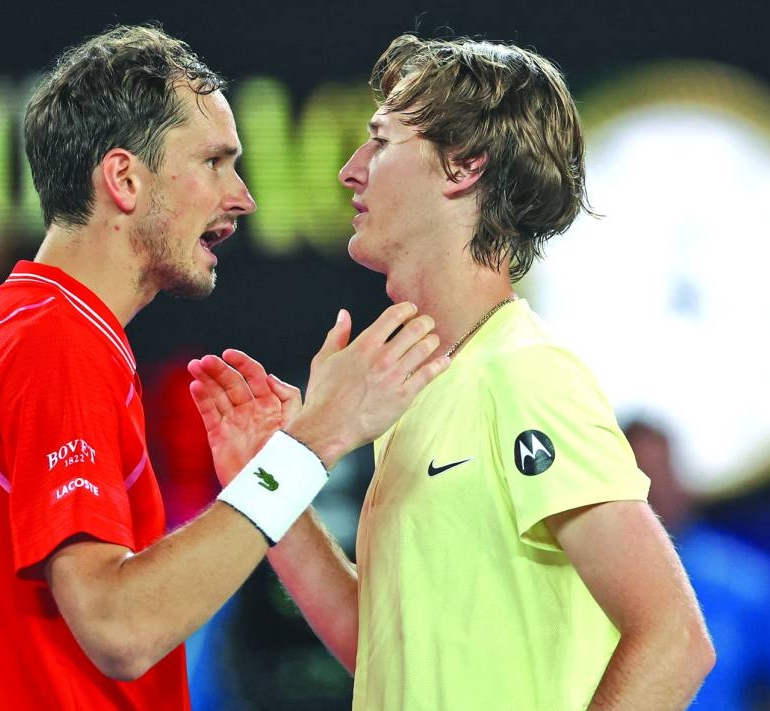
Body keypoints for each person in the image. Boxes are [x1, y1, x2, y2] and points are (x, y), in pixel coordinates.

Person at [0, 25, 450, 711]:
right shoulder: (57, 347)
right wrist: (313, 442)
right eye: (214, 162)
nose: (242, 197)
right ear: (124, 179)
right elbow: (120, 627)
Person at [188, 34, 715, 710]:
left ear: (464, 166)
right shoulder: (421, 391)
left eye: (380, 142)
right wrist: (271, 480)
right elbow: (382, 652)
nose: (350, 171)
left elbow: (675, 638)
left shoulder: (526, 374)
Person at [625, 418, 770, 709]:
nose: (654, 489)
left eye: (660, 472)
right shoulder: (589, 583)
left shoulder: (749, 581)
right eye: (641, 474)